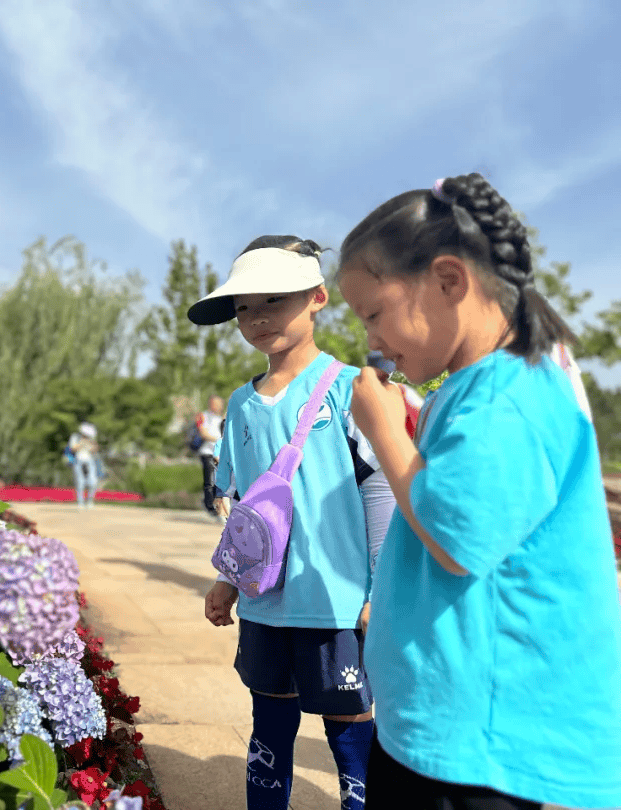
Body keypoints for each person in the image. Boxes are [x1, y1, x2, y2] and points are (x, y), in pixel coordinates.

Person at [337, 173, 621, 810]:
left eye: (374, 313)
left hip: (477, 747)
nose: (370, 339)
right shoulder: (470, 389)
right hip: (439, 728)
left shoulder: (510, 398)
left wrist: (385, 433)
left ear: (448, 281)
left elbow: (455, 536)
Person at [190, 235, 396, 810]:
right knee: (269, 729)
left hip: (337, 602)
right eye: (243, 308)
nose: (257, 319)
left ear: (318, 298)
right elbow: (246, 508)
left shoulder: (351, 387)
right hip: (265, 604)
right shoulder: (239, 405)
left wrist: (379, 590)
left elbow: (380, 490)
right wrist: (227, 579)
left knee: (350, 731)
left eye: (273, 301)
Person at [196, 395, 225, 520]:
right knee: (210, 482)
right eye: (216, 403)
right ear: (210, 403)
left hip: (221, 454)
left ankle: (215, 506)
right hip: (207, 452)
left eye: (220, 404)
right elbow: (203, 433)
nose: (219, 406)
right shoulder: (203, 416)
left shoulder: (223, 418)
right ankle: (210, 508)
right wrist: (219, 440)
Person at [67, 421, 100, 509]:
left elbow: (95, 450)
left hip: (90, 461)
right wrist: (82, 443)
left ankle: (90, 500)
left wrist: (92, 444)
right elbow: (73, 448)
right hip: (78, 461)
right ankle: (80, 502)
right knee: (80, 482)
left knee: (93, 481)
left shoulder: (92, 439)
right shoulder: (75, 437)